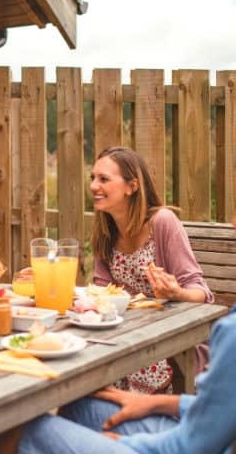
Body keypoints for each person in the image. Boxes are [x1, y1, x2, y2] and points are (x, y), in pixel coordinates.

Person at [0, 142, 236, 454]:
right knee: (82, 405)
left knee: (19, 431)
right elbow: (235, 412)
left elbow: (188, 451)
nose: (235, 223)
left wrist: (120, 446)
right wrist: (158, 403)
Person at [90, 146, 213, 393]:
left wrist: (176, 293)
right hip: (124, 342)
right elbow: (101, 292)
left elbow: (202, 293)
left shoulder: (162, 223)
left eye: (104, 179)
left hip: (170, 348)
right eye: (92, 178)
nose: (94, 186)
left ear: (131, 186)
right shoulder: (105, 230)